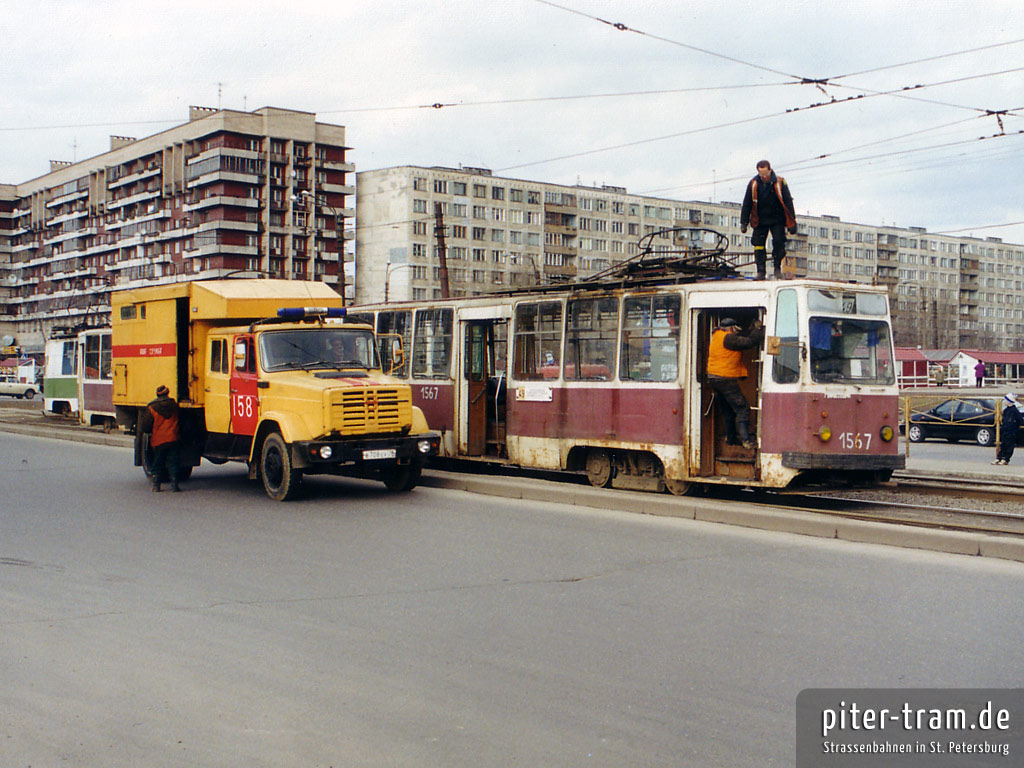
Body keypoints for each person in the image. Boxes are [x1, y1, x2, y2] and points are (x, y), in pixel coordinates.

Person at [707, 316, 765, 449]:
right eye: (736, 329)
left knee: (729, 410)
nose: (737, 331)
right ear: (731, 328)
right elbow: (749, 342)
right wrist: (758, 328)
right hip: (725, 378)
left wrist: (751, 329)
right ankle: (746, 441)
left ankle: (731, 439)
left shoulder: (718, 336)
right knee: (742, 408)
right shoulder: (728, 338)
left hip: (715, 378)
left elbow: (741, 339)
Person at [740, 160, 797, 280]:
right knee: (758, 245)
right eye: (762, 175)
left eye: (766, 174)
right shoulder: (753, 184)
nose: (764, 177)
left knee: (779, 242)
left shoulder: (780, 182)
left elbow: (788, 201)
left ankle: (777, 268)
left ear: (770, 170)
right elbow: (747, 203)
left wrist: (792, 222)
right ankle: (761, 271)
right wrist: (743, 222)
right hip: (760, 220)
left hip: (777, 219)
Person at [140, 384, 181, 492]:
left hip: (158, 440)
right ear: (168, 393)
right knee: (173, 462)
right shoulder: (175, 406)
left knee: (157, 462)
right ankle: (174, 485)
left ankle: (156, 485)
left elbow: (146, 426)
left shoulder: (151, 407)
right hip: (173, 438)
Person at [992, 392, 1023, 465]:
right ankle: (999, 458)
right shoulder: (1006, 410)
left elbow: (1020, 420)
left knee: (1009, 446)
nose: (1004, 402)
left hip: (1011, 431)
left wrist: (1015, 427)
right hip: (1005, 430)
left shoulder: (1014, 411)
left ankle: (1006, 459)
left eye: (1005, 400)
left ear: (1009, 401)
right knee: (1003, 445)